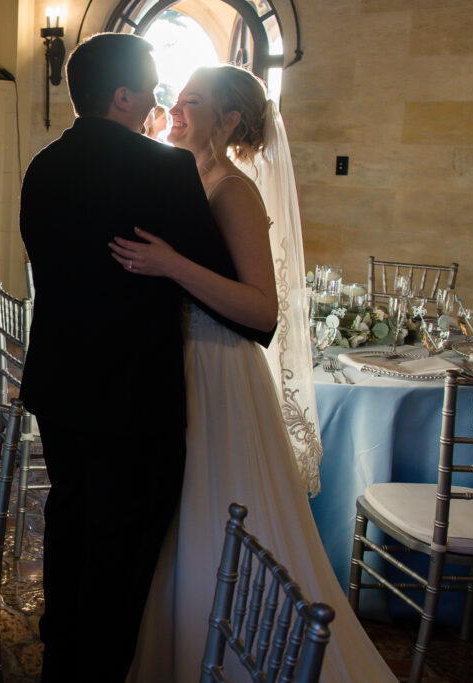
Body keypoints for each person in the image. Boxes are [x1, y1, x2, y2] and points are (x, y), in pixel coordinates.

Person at [111, 65, 397, 682]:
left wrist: (170, 265)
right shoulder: (190, 178)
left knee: (215, 515)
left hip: (220, 370)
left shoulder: (233, 190)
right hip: (183, 363)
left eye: (192, 102)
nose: (176, 111)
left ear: (229, 120)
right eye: (176, 100)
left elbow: (262, 308)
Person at [19, 36, 271, 683]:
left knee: (71, 522)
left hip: (59, 389)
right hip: (134, 402)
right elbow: (229, 293)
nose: (160, 104)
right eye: (155, 91)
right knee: (123, 554)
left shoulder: (41, 167)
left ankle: (58, 657)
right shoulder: (163, 172)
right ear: (123, 96)